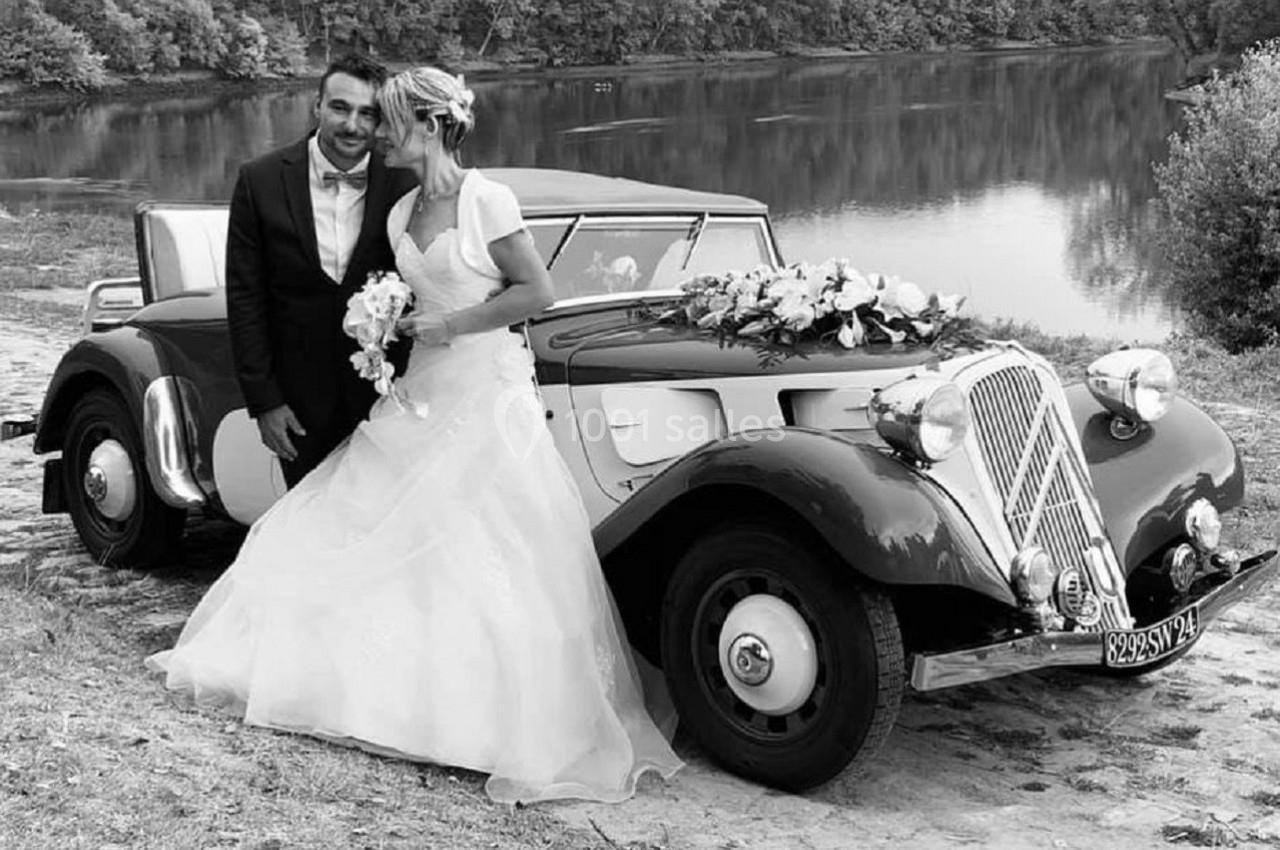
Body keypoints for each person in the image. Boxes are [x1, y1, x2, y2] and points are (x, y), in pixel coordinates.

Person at [147, 66, 683, 805]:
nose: (374, 133)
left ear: (427, 126)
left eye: (389, 121)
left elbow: (539, 292)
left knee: (488, 547)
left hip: (484, 393)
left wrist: (452, 323)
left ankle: (499, 720)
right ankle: (377, 695)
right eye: (360, 115)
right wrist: (383, 326)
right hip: (420, 389)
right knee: (348, 518)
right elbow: (371, 294)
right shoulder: (399, 215)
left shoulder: (488, 199)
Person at [226, 52, 415, 487]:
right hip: (298, 404)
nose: (353, 125)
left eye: (368, 113)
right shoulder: (260, 179)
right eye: (340, 107)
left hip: (387, 397)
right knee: (312, 531)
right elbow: (245, 296)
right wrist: (265, 402)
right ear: (316, 106)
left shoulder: (405, 180)